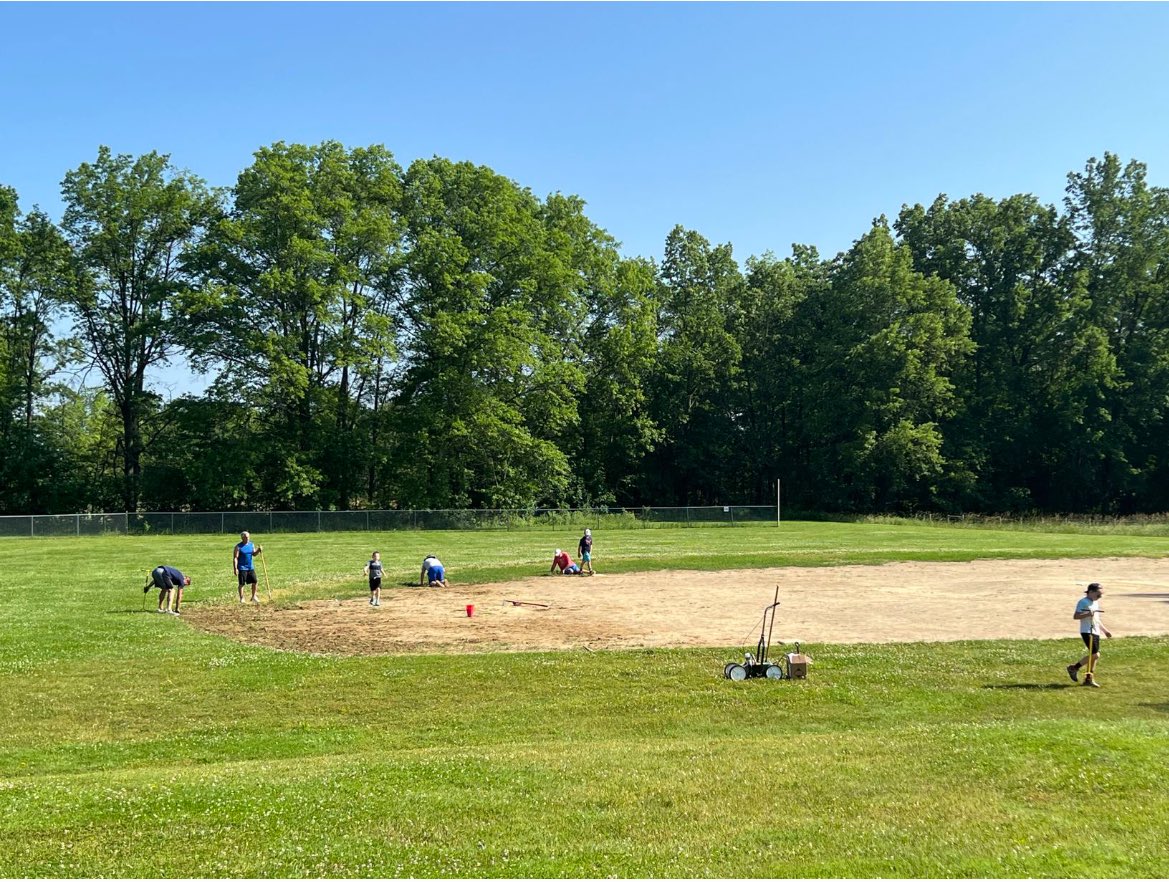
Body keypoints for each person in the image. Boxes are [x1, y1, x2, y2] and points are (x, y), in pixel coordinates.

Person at [1067, 582, 1112, 687]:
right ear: (1091, 592)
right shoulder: (1083, 602)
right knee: (1095, 655)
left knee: (1094, 656)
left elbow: (1096, 619)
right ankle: (1074, 668)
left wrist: (1105, 631)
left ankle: (1089, 679)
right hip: (1087, 630)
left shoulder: (1095, 602)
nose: (1100, 597)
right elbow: (1076, 616)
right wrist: (1087, 614)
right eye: (1098, 594)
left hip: (1095, 631)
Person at [233, 531, 264, 603]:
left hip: (250, 567)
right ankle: (242, 598)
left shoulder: (251, 545)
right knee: (242, 584)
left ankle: (253, 597)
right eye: (246, 537)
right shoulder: (238, 547)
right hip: (242, 568)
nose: (248, 538)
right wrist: (235, 568)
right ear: (242, 538)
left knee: (255, 581)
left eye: (248, 537)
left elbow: (254, 554)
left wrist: (258, 550)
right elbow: (235, 558)